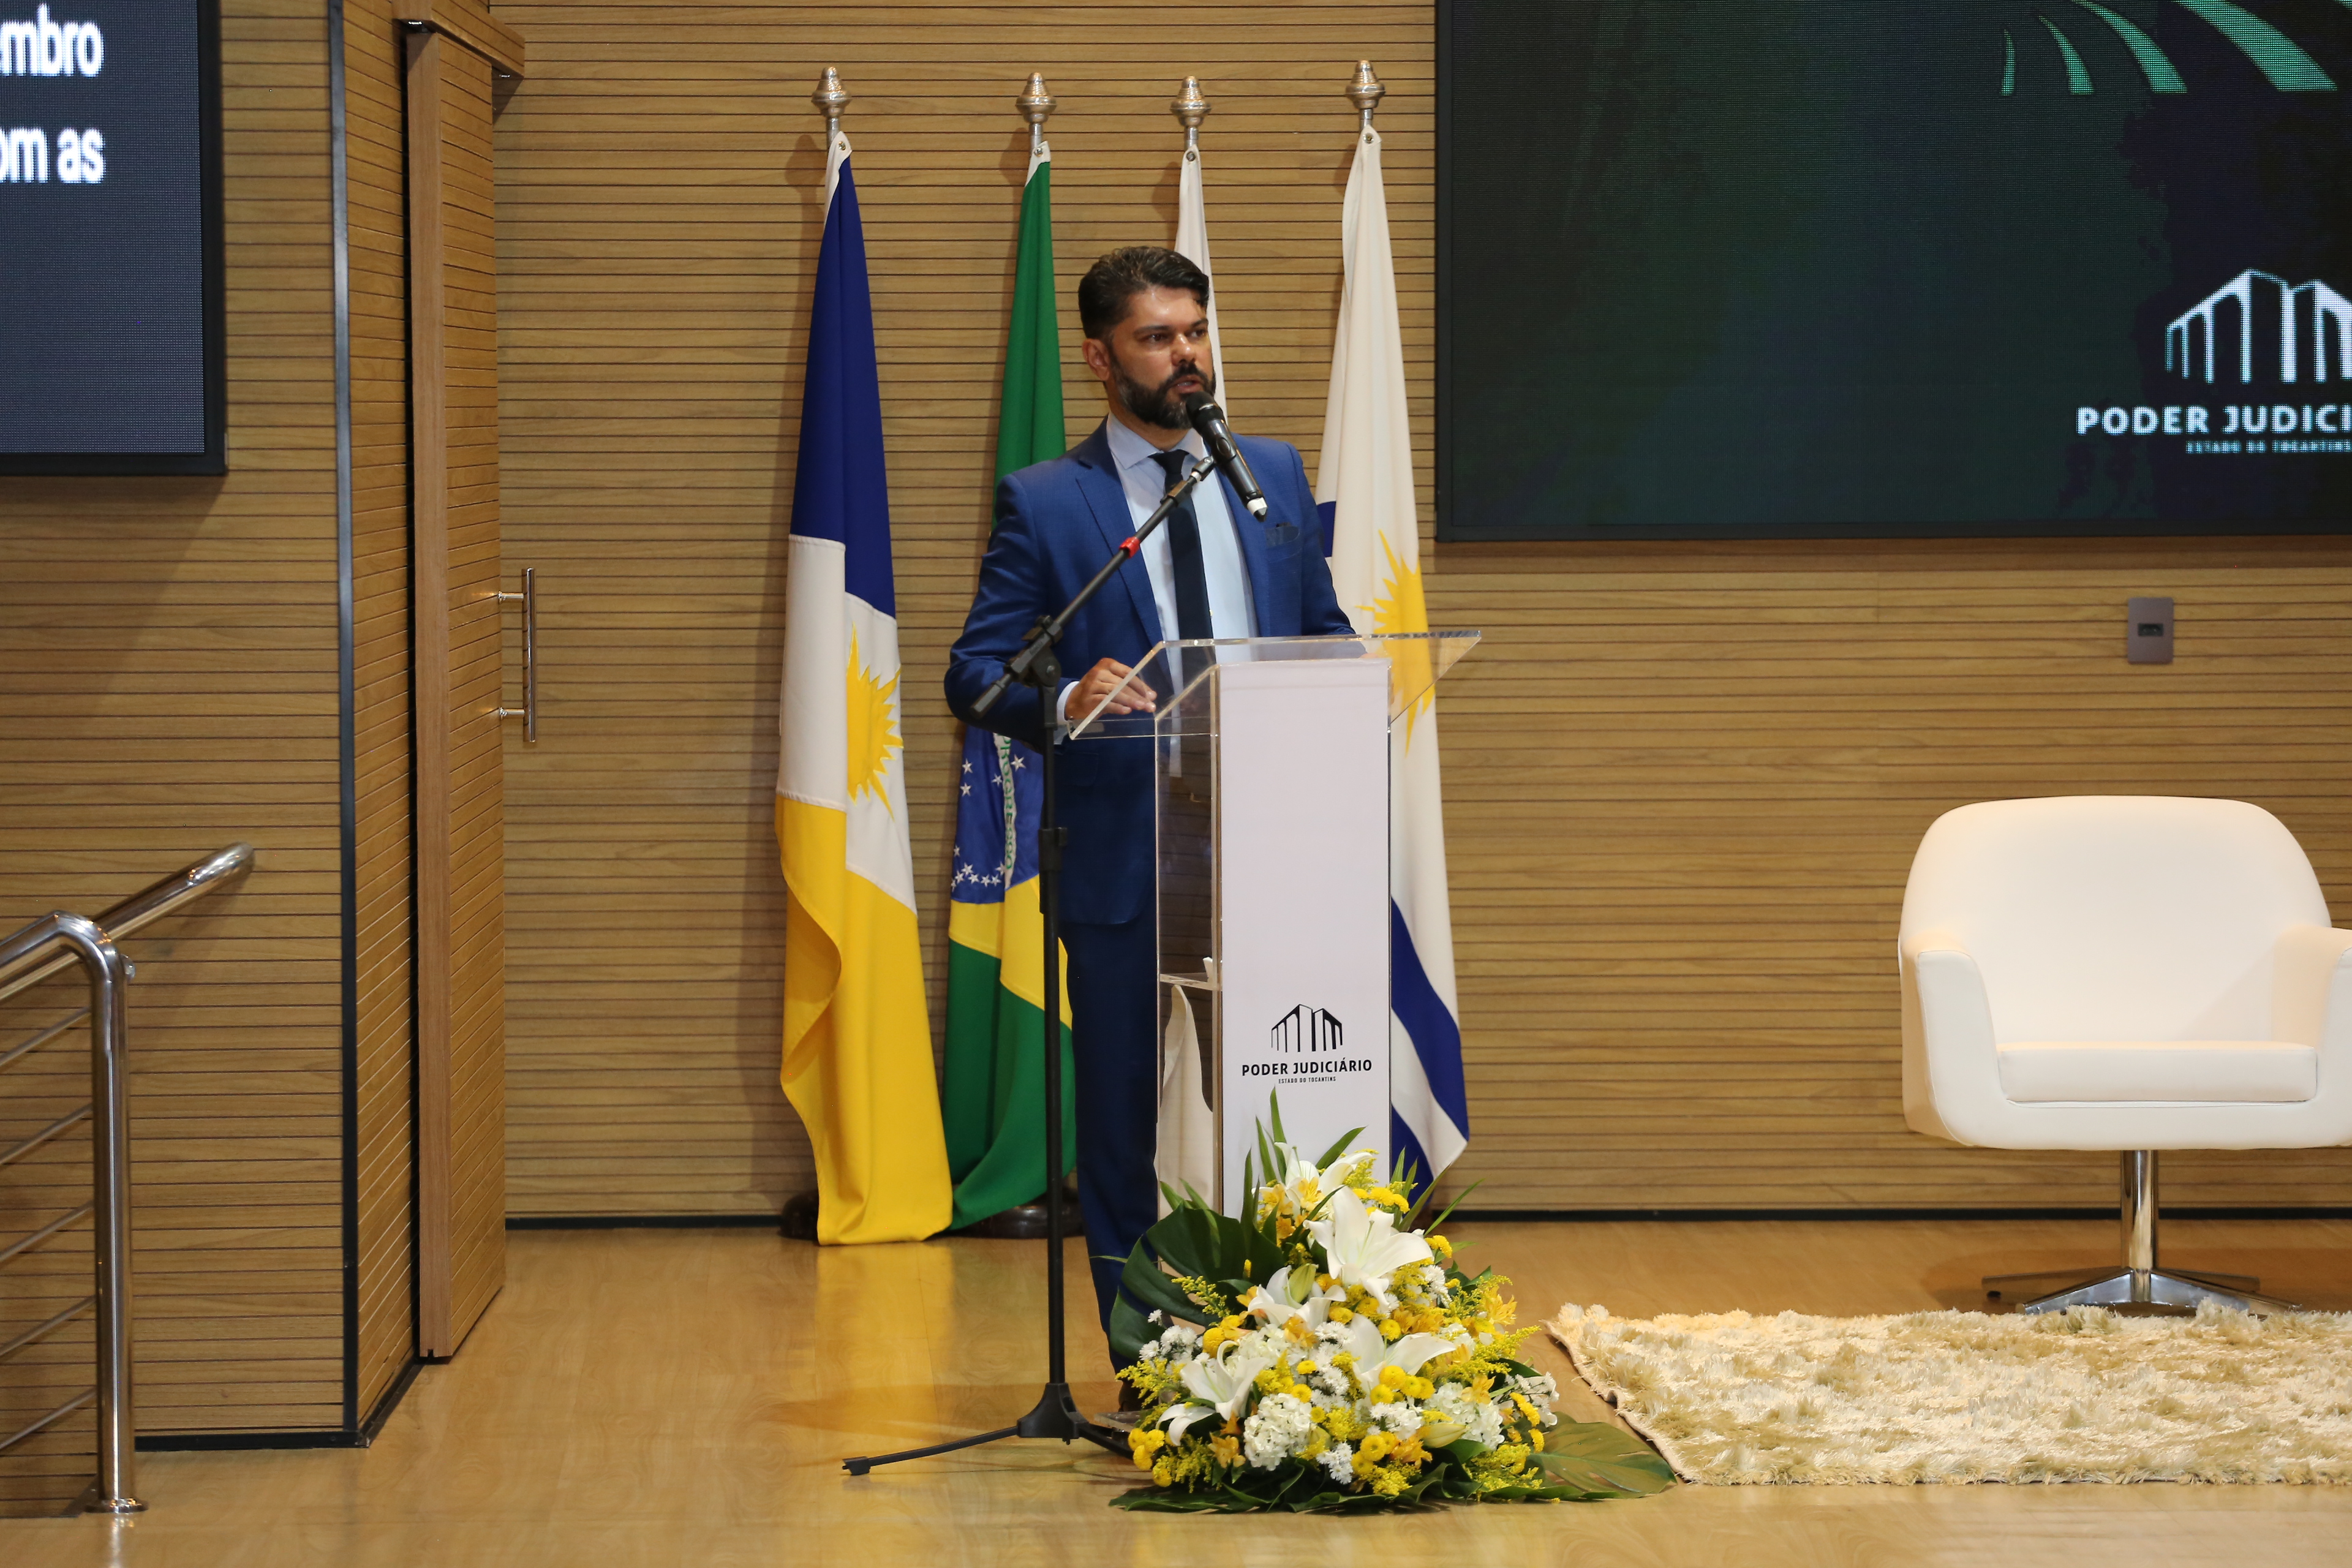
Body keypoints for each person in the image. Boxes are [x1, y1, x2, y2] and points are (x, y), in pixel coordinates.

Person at [945, 247, 1355, 1349]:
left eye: (1196, 332)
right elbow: (977, 672)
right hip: (1127, 854)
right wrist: (1065, 690)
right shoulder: (1049, 502)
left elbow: (1326, 634)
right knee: (1121, 1126)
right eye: (1158, 338)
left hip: (1267, 856)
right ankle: (1153, 1368)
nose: (1188, 357)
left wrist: (1356, 676)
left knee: (1284, 1111)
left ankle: (1301, 1350)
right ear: (1099, 356)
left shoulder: (1266, 474)